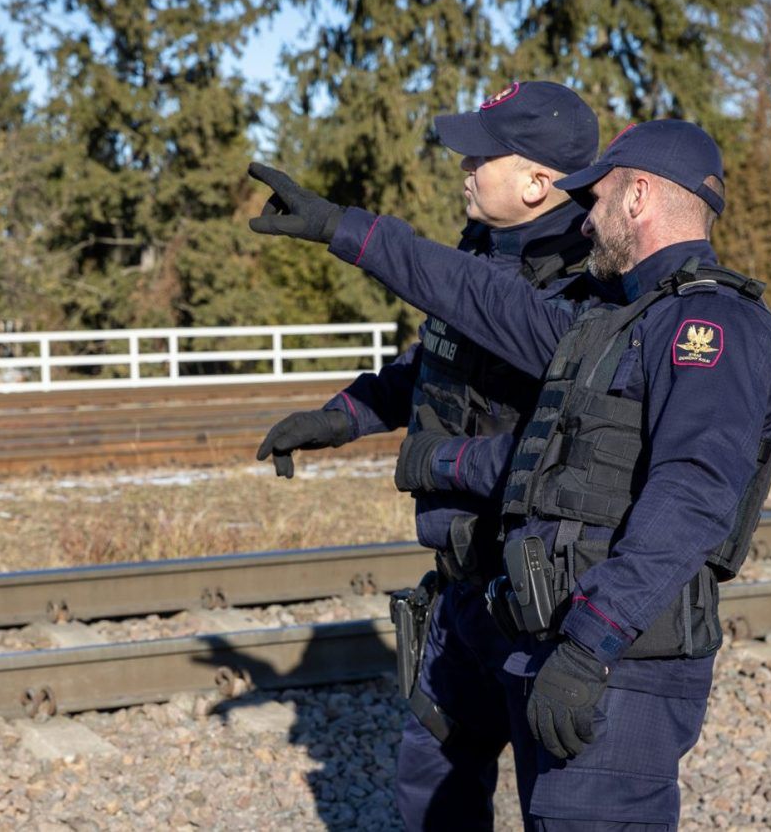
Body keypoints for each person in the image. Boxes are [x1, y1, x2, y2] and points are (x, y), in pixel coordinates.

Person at [248, 119, 771, 830]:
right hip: (571, 627)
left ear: (637, 198)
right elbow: (475, 299)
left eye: (596, 199)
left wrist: (588, 642)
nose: (585, 218)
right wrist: (342, 229)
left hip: (624, 649)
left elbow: (692, 497)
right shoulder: (611, 318)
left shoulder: (709, 326)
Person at [252, 81, 598, 827]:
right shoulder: (485, 251)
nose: (464, 165)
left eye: (483, 154)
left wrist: (438, 463)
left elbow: (567, 454)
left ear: (539, 181)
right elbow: (432, 365)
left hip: (544, 603)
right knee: (431, 781)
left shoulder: (589, 288)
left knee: (558, 805)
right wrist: (338, 418)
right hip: (463, 591)